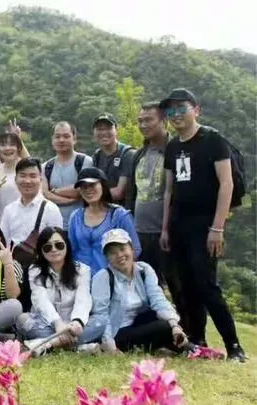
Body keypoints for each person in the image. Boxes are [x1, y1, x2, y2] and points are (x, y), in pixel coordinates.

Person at [160, 88, 246, 361]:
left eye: (181, 108)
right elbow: (168, 190)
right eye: (171, 110)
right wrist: (165, 228)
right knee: (186, 284)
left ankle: (234, 346)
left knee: (206, 284)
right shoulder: (173, 146)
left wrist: (217, 228)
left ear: (196, 110)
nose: (176, 114)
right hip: (178, 223)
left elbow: (226, 184)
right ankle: (197, 341)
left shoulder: (212, 140)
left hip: (205, 224)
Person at [92, 229, 190, 354]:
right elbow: (101, 315)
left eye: (122, 249)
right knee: (164, 328)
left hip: (138, 323)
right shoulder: (103, 277)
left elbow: (158, 299)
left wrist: (174, 325)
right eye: (113, 253)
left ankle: (186, 348)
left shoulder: (144, 270)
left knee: (169, 320)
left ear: (132, 249)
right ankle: (190, 349)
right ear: (107, 258)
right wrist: (110, 344)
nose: (120, 255)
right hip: (116, 332)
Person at [16, 227, 103, 355]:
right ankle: (78, 348)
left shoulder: (82, 270)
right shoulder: (35, 270)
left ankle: (47, 345)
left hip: (73, 326)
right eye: (47, 247)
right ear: (41, 251)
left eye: (59, 245)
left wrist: (77, 321)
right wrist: (57, 323)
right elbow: (40, 301)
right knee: (22, 319)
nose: (54, 250)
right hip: (46, 325)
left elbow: (83, 299)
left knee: (101, 321)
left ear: (67, 246)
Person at [127, 102, 177, 290]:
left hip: (166, 233)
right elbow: (133, 193)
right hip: (139, 232)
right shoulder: (139, 154)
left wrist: (169, 228)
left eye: (149, 120)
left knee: (175, 285)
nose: (143, 125)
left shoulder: (175, 150)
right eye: (140, 121)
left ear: (164, 121)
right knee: (144, 285)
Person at [68, 167, 140, 275]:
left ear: (103, 185)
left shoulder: (120, 215)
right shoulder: (75, 217)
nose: (88, 190)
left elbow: (135, 249)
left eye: (92, 185)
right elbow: (71, 249)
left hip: (112, 277)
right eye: (83, 186)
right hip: (81, 278)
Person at [0, 158, 63, 270]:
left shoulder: (51, 209)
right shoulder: (9, 210)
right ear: (15, 179)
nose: (27, 181)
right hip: (14, 270)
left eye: (33, 176)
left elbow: (57, 245)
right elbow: (4, 242)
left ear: (40, 180)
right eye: (23, 176)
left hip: (42, 269)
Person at [42, 121, 93, 228]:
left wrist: (55, 191)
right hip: (54, 227)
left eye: (66, 136)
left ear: (74, 139)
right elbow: (45, 195)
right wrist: (68, 200)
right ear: (52, 140)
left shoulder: (85, 161)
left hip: (82, 225)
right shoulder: (46, 167)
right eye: (57, 137)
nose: (61, 140)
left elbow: (83, 189)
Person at [90, 113, 135, 203]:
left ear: (116, 130)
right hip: (102, 208)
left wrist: (89, 195)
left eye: (108, 128)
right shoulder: (96, 156)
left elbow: (119, 192)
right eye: (100, 129)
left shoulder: (127, 154)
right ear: (94, 132)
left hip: (123, 210)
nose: (104, 132)